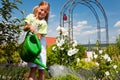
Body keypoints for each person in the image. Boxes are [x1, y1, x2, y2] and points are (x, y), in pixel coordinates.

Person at [24, 1, 50, 80]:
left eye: (45, 12)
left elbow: (39, 37)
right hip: (31, 47)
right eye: (41, 10)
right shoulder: (30, 17)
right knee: (33, 69)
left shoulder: (43, 23)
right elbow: (24, 28)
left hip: (40, 47)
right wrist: (29, 26)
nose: (42, 12)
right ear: (38, 8)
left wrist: (34, 30)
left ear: (46, 13)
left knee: (41, 70)